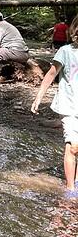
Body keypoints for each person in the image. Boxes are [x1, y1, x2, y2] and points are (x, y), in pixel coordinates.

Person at [31, 15, 78, 194]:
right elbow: (51, 75)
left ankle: (76, 182)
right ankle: (70, 190)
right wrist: (38, 98)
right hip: (69, 105)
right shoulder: (65, 51)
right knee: (73, 146)